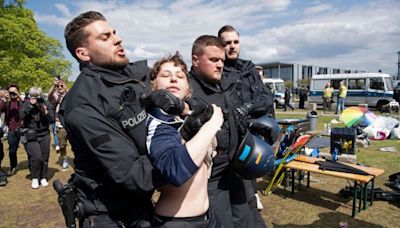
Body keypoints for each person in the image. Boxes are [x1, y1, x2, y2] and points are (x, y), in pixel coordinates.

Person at [60, 11, 187, 227]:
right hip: (108, 215)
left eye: (114, 33)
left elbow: (181, 87)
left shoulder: (130, 76)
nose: (117, 39)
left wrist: (183, 107)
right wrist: (184, 139)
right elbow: (135, 175)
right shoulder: (83, 105)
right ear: (83, 53)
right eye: (104, 37)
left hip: (142, 206)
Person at [146, 53, 223, 227]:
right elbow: (174, 170)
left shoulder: (191, 116)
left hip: (208, 216)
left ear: (188, 88)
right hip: (177, 221)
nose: (173, 79)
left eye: (180, 76)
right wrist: (212, 125)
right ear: (153, 86)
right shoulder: (158, 121)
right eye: (165, 75)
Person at [218, 25, 273, 225]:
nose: (232, 47)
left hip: (254, 135)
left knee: (249, 188)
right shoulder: (218, 70)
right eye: (227, 43)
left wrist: (248, 107)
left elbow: (266, 97)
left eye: (235, 42)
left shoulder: (248, 68)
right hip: (231, 139)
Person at [21, 87, 54, 189]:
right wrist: (30, 106)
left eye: (37, 97)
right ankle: (35, 177)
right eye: (33, 97)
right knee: (36, 157)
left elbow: (52, 120)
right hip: (31, 134)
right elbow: (21, 117)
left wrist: (45, 111)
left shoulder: (46, 103)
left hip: (44, 134)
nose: (36, 99)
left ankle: (43, 177)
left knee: (44, 157)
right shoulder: (27, 103)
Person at [0, 84, 23, 176]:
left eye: (14, 91)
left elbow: (26, 106)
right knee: (12, 151)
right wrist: (4, 99)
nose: (12, 94)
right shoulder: (7, 103)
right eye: (11, 92)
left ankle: (32, 166)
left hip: (24, 130)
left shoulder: (22, 101)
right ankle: (13, 166)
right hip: (12, 130)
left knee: (30, 150)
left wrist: (19, 97)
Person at [48, 77, 69, 170]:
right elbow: (49, 95)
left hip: (71, 124)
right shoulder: (56, 96)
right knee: (62, 145)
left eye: (62, 85)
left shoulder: (70, 95)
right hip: (60, 125)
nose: (60, 87)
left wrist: (66, 89)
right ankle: (64, 158)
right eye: (58, 86)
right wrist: (54, 85)